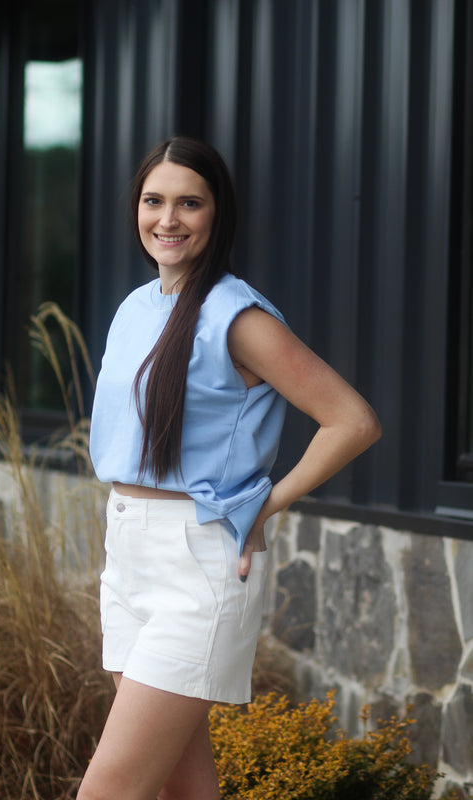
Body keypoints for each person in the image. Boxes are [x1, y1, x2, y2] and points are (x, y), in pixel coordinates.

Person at [79, 135, 381, 800]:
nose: (168, 219)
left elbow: (351, 420)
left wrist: (267, 503)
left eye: (189, 203)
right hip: (126, 555)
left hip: (198, 563)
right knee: (182, 788)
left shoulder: (236, 316)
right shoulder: (135, 308)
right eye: (153, 201)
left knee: (108, 792)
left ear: (217, 215)